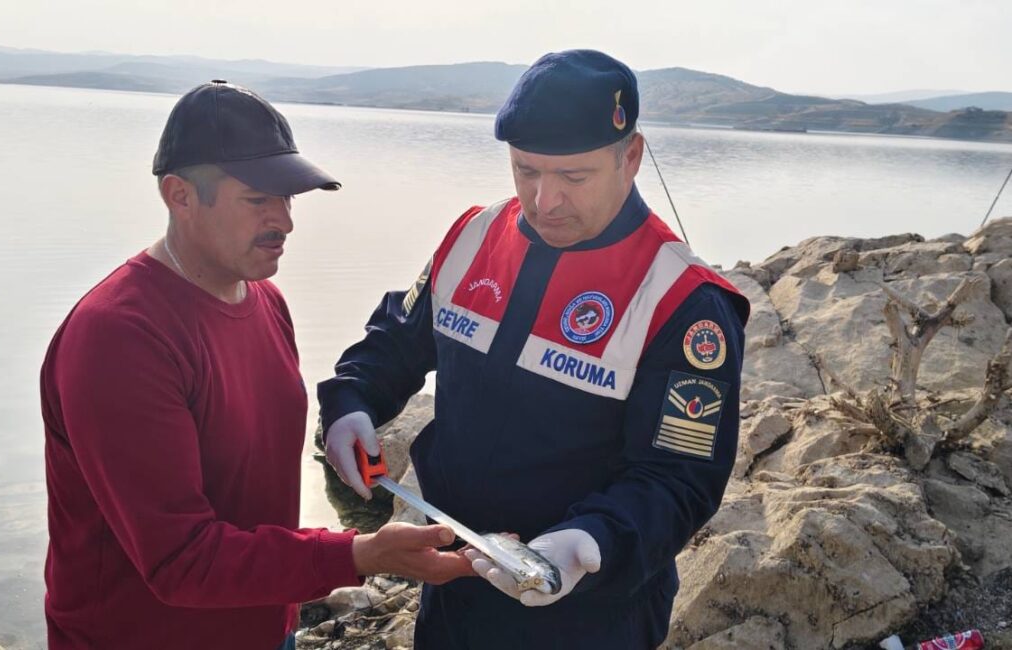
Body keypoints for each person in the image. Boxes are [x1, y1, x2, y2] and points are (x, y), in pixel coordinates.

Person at [320, 50, 750, 648]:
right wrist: (352, 401)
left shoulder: (684, 302)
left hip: (590, 609)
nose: (545, 201)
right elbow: (397, 338)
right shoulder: (474, 235)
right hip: (455, 581)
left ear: (631, 156)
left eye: (573, 178)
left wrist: (588, 544)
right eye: (526, 171)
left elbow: (679, 480)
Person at [40, 80, 471, 650]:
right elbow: (180, 560)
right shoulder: (120, 335)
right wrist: (358, 553)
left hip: (266, 627)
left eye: (289, 197)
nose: (285, 221)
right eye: (258, 199)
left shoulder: (265, 300)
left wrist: (347, 420)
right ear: (180, 195)